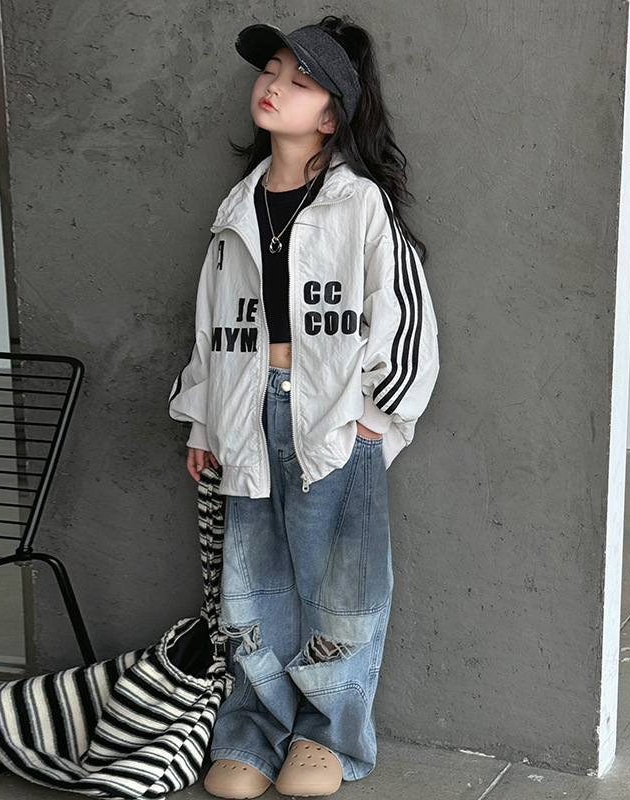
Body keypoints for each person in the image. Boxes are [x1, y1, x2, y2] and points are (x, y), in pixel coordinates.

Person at [168, 15, 439, 799]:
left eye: (301, 78)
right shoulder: (237, 208)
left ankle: (327, 736)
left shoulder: (359, 205)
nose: (274, 85)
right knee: (251, 586)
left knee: (342, 589)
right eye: (271, 70)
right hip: (245, 417)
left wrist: (372, 419)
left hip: (333, 420)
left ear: (331, 115)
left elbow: (407, 319)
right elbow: (210, 326)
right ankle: (253, 733)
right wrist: (203, 419)